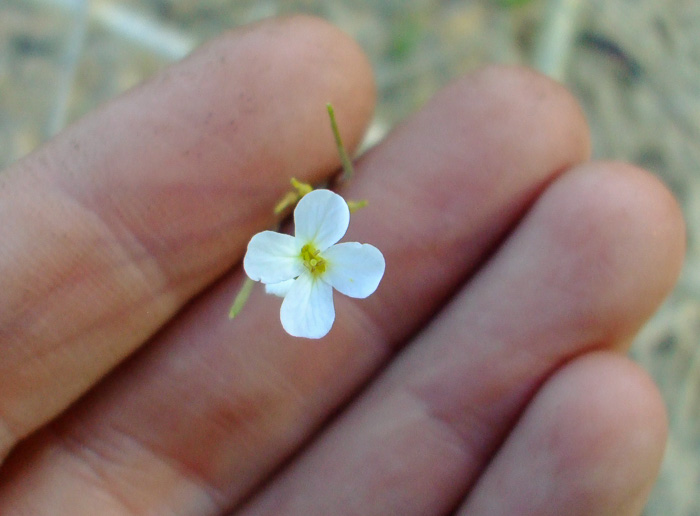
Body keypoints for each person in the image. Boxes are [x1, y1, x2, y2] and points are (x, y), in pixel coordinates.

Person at [0, 15, 685, 515]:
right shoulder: (299, 246)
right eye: (306, 251)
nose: (308, 255)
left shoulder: (326, 245)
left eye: (311, 252)